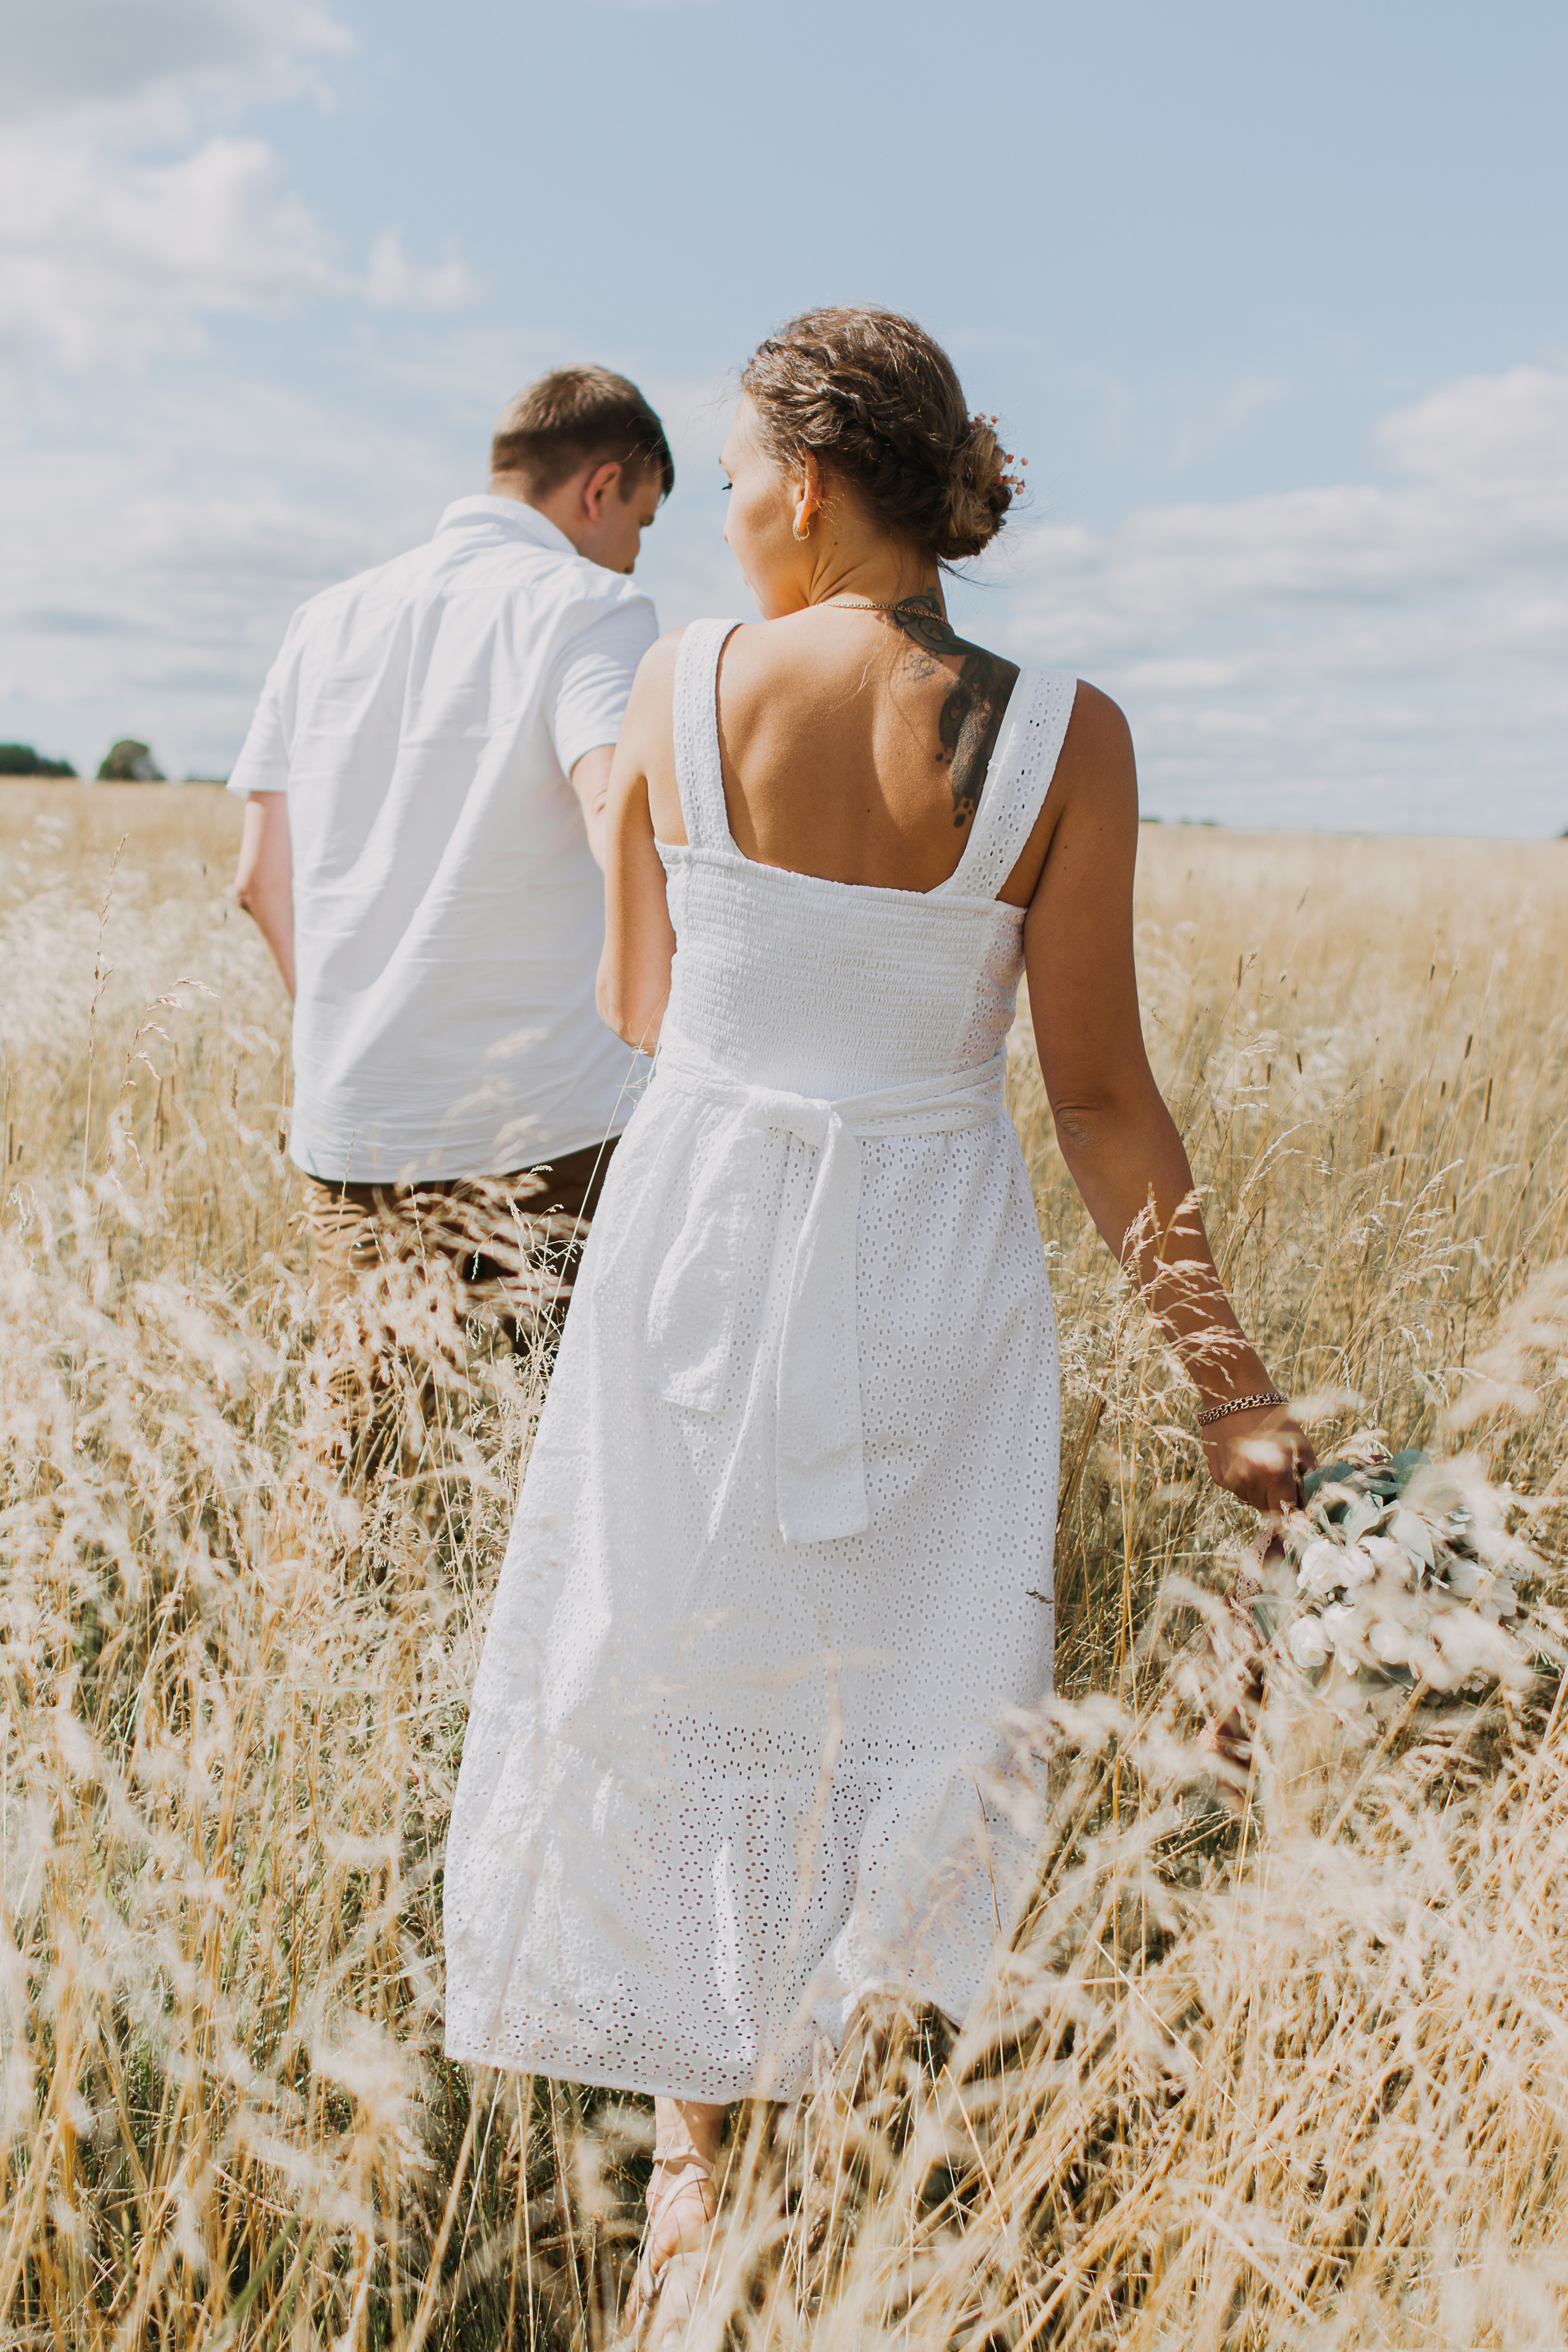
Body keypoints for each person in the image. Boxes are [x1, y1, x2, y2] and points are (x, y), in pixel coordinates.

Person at [442, 308, 1314, 2339]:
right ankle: (848, 2104)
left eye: (738, 481)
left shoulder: (679, 683)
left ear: (807, 486)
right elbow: (1100, 1093)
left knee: (680, 1659)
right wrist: (1230, 1389)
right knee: (898, 1682)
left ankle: (695, 2163)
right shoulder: (1066, 730)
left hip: (698, 1250)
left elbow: (643, 1012)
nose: (730, 517)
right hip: (929, 1254)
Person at [230, 367, 673, 1360]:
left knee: (368, 1470)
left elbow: (261, 876)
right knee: (541, 1463)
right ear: (601, 488)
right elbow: (616, 817)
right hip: (548, 1131)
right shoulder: (595, 607)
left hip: (354, 1120)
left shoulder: (323, 621)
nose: (637, 548)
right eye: (642, 518)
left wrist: (350, 1038)